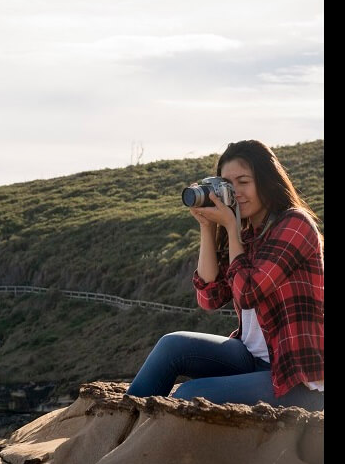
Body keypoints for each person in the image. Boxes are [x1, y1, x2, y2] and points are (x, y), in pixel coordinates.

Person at [125, 140, 324, 411]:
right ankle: (120, 428)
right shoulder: (247, 234)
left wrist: (231, 227)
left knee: (189, 394)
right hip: (251, 357)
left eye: (243, 182)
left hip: (296, 377)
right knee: (170, 346)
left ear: (266, 181)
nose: (236, 192)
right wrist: (207, 227)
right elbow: (209, 297)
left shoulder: (295, 224)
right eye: (228, 185)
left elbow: (248, 291)